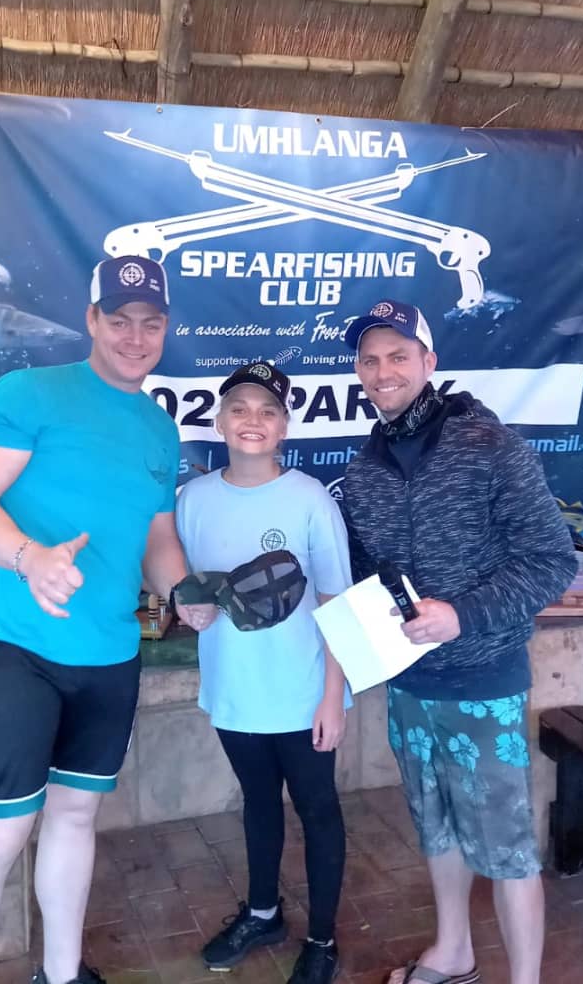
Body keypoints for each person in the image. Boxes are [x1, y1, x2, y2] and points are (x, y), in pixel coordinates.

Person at [0, 255, 214, 984]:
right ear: (91, 320)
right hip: (17, 648)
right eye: (119, 320)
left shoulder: (159, 430)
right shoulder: (28, 393)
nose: (135, 336)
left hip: (109, 656)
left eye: (150, 323)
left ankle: (61, 975)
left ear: (165, 329)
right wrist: (30, 558)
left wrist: (187, 592)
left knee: (75, 818)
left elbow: (157, 540)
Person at [338, 300, 576, 984]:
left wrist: (462, 615)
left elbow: (551, 561)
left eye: (398, 356)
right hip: (410, 682)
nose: (383, 372)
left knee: (506, 845)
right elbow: (368, 573)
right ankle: (453, 952)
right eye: (370, 360)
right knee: (434, 825)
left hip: (484, 680)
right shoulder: (365, 469)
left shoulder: (491, 447)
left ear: (429, 362)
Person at [175, 361, 352, 984]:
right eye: (240, 408)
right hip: (233, 691)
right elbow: (178, 580)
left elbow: (335, 601)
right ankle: (263, 913)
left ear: (284, 428)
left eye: (268, 410)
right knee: (257, 802)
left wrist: (333, 695)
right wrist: (183, 602)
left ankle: (323, 937)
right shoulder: (192, 500)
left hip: (303, 694)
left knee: (317, 808)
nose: (253, 420)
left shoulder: (309, 499)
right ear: (219, 421)